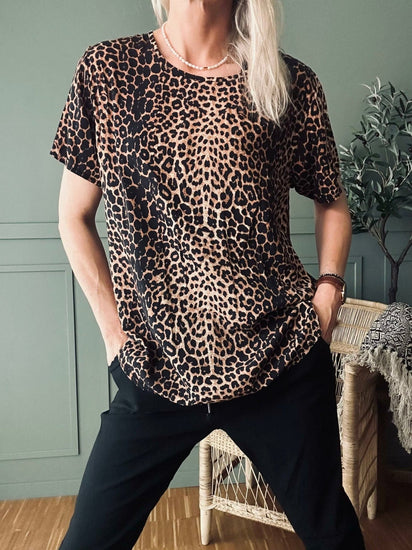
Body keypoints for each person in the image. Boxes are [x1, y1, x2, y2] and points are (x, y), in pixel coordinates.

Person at [50, 0, 366, 548]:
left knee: (334, 536)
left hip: (278, 359)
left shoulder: (287, 81)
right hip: (155, 367)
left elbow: (332, 200)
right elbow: (73, 217)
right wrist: (115, 338)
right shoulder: (106, 70)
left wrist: (328, 293)